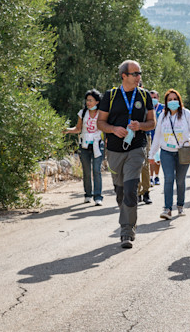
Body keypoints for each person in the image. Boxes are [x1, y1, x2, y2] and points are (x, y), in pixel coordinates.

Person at [97, 60, 155, 249]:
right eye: (135, 74)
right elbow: (100, 123)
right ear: (124, 76)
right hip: (114, 150)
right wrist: (113, 129)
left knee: (131, 189)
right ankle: (128, 220)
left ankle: (127, 231)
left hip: (137, 148)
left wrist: (141, 126)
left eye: (140, 73)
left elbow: (152, 123)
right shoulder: (110, 96)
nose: (139, 77)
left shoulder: (144, 95)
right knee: (120, 192)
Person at [150, 89, 190, 219]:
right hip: (166, 152)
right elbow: (157, 136)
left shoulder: (186, 114)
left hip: (183, 152)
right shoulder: (162, 116)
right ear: (166, 102)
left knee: (180, 180)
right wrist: (151, 154)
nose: (172, 102)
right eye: (170, 100)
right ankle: (167, 209)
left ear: (179, 100)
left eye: (175, 99)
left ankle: (180, 205)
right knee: (168, 179)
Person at [64, 89, 105, 205]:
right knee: (87, 171)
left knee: (97, 170)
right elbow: (78, 128)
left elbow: (106, 127)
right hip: (84, 145)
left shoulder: (102, 113)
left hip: (98, 145)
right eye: (87, 100)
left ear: (97, 102)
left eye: (91, 100)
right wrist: (67, 130)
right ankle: (88, 194)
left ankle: (98, 197)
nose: (88, 103)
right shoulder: (82, 113)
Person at [148, 90, 164, 187]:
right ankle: (150, 177)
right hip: (149, 135)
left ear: (158, 98)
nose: (153, 99)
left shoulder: (163, 108)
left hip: (160, 137)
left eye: (155, 98)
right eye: (151, 98)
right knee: (150, 157)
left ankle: (157, 176)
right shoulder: (147, 108)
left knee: (158, 158)